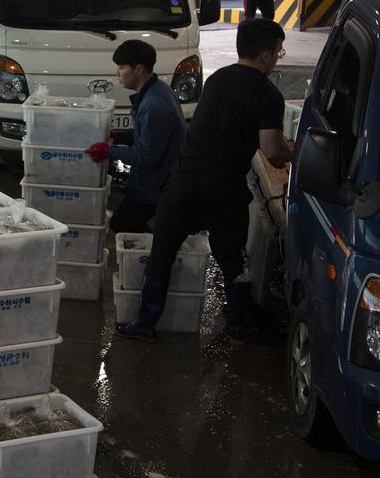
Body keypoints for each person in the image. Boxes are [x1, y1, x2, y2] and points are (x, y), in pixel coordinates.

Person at [115, 18, 294, 346]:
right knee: (232, 260)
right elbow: (271, 148)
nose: (277, 58)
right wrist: (293, 151)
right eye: (278, 52)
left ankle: (144, 323)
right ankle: (241, 328)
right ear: (267, 55)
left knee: (163, 252)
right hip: (224, 186)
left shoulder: (217, 79)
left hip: (183, 181)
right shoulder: (269, 94)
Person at [85, 40, 186, 235]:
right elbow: (150, 136)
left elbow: (147, 155)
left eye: (122, 68)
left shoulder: (154, 106)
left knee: (122, 225)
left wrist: (108, 152)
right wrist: (120, 136)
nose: (117, 74)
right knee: (133, 227)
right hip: (157, 179)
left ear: (138, 69)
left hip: (158, 184)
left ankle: (146, 261)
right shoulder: (157, 90)